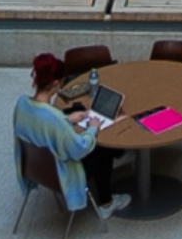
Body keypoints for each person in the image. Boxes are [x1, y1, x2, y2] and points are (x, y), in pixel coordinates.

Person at [17, 56, 133, 214]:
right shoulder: (55, 120)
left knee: (103, 147)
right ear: (56, 84)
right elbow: (80, 148)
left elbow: (41, 124)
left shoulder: (22, 104)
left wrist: (67, 119)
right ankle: (106, 204)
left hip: (36, 169)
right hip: (61, 175)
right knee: (102, 149)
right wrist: (93, 128)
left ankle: (119, 153)